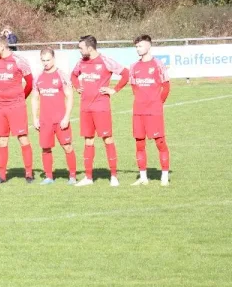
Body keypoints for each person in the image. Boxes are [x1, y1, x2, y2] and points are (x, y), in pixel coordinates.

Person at [71, 35, 129, 187]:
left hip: (101, 107)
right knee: (88, 140)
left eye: (81, 48)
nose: (79, 51)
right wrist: (77, 86)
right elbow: (73, 75)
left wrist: (114, 90)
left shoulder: (105, 61)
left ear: (90, 48)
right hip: (85, 108)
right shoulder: (81, 62)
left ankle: (114, 176)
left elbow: (125, 73)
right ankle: (88, 177)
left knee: (107, 139)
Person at [0, 35, 34, 184]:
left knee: (22, 138)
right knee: (1, 140)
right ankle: (1, 176)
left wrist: (21, 98)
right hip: (0, 106)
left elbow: (30, 82)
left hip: (17, 106)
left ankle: (28, 173)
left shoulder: (19, 61)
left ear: (2, 47)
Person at [129, 35, 171, 186]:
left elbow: (166, 86)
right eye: (136, 46)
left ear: (148, 46)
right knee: (139, 143)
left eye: (140, 46)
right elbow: (134, 87)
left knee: (160, 142)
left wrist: (158, 103)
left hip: (154, 111)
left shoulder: (158, 64)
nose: (137, 49)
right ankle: (143, 177)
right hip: (138, 111)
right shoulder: (133, 66)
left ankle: (164, 176)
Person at [31, 48, 77, 185]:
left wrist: (67, 117)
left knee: (67, 146)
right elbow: (34, 98)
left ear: (53, 59)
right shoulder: (38, 77)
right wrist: (35, 118)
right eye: (43, 60)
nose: (45, 63)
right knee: (45, 148)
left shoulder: (61, 75)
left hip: (60, 119)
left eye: (48, 60)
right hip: (45, 120)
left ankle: (73, 176)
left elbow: (69, 96)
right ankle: (49, 176)